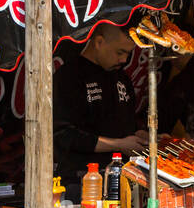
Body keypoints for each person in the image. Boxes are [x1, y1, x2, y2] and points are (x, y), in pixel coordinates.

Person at [53, 22, 148, 198]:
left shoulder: (122, 78)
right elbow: (63, 135)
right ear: (99, 42)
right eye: (120, 52)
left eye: (128, 54)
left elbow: (125, 123)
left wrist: (140, 136)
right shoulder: (68, 76)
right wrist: (119, 144)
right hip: (81, 182)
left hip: (122, 180)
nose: (124, 59)